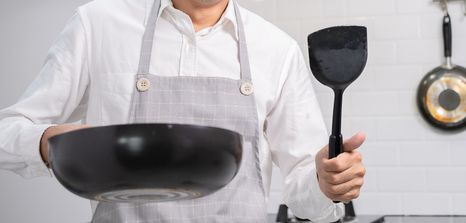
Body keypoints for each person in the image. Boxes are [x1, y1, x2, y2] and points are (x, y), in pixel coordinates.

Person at [0, 0, 366, 222]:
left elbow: (304, 187)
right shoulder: (97, 25)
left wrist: (325, 183)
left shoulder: (276, 49)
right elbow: (8, 131)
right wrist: (48, 142)